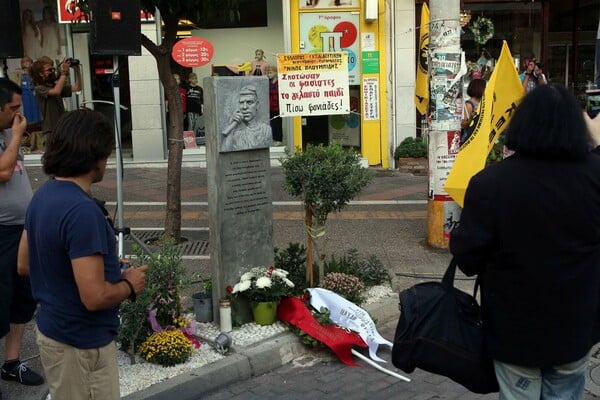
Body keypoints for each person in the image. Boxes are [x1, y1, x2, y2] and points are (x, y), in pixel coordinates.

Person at [450, 84, 600, 399]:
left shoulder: (490, 183)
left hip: (513, 331)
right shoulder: (594, 177)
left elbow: (467, 259)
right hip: (577, 326)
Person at [17, 109, 148, 400]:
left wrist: (105, 266)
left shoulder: (43, 195)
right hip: (82, 343)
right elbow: (94, 297)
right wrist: (129, 284)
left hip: (54, 334)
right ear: (95, 156)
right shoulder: (82, 211)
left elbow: (25, 264)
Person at [0, 78, 45, 394]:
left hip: (22, 230)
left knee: (23, 297)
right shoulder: (10, 134)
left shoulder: (7, 132)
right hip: (1, 233)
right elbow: (2, 172)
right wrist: (17, 135)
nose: (19, 114)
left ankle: (12, 362)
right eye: (13, 108)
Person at [31, 57, 81, 152]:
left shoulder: (53, 86)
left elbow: (77, 87)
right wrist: (64, 72)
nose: (52, 72)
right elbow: (56, 91)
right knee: (55, 154)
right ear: (40, 74)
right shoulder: (39, 88)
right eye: (49, 70)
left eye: (53, 69)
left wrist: (77, 71)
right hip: (51, 129)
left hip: (61, 126)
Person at [221, 85, 272, 152]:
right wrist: (232, 127)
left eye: (249, 102)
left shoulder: (266, 130)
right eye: (241, 103)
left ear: (257, 105)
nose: (244, 107)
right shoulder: (236, 132)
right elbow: (225, 150)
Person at [460, 79, 486, 144]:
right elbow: (463, 125)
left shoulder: (483, 103)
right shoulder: (469, 105)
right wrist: (472, 117)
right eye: (485, 88)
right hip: (469, 140)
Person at [266, 65, 283, 145]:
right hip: (270, 105)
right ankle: (273, 139)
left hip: (278, 106)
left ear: (275, 73)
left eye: (270, 73)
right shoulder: (268, 83)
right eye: (268, 73)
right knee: (272, 123)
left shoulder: (279, 82)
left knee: (278, 123)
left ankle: (279, 139)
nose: (268, 74)